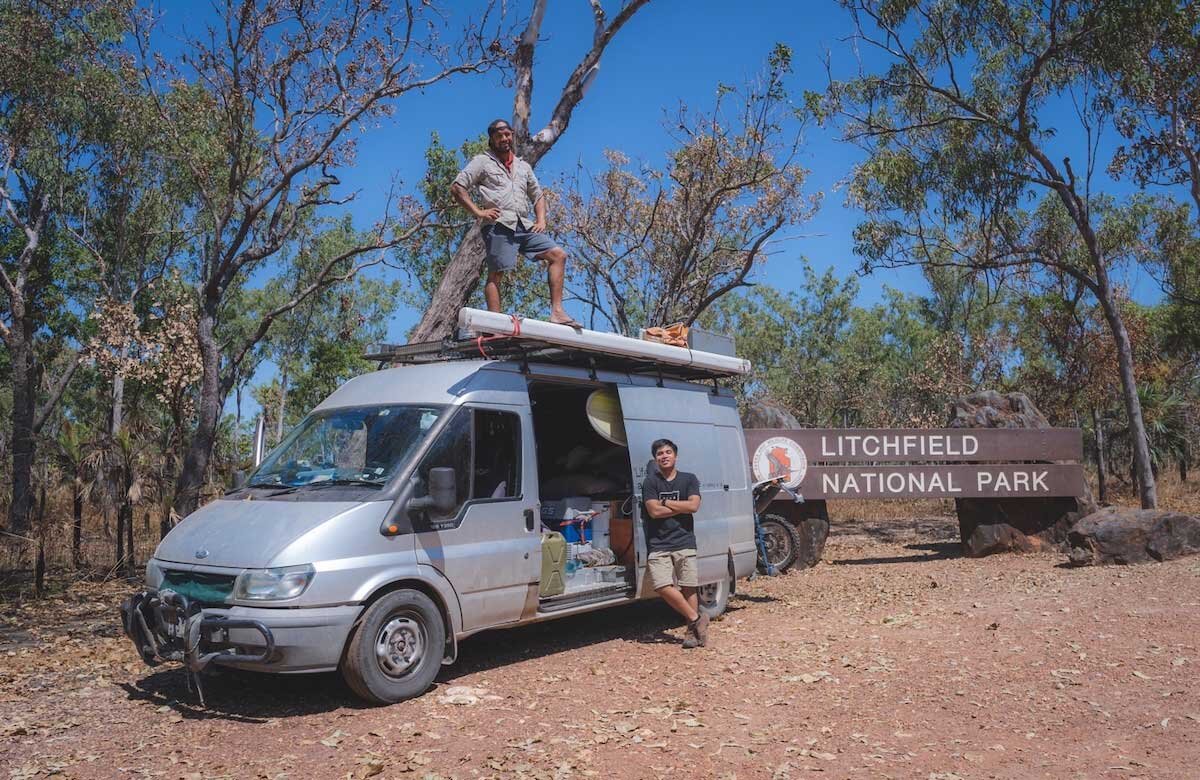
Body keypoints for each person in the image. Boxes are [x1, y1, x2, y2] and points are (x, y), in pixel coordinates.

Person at [450, 118, 581, 328]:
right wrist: (478, 212)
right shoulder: (482, 161)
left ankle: (557, 312)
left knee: (558, 255)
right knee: (496, 273)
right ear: (492, 139)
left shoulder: (523, 166)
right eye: (499, 135)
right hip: (499, 223)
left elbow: (537, 195)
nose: (504, 139)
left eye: (507, 134)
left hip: (524, 224)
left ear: (512, 135)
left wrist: (541, 219)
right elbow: (457, 187)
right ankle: (496, 324)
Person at [641, 438, 709, 648]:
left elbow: (694, 506)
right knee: (661, 585)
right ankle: (696, 618)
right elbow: (653, 511)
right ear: (655, 458)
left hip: (685, 540)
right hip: (658, 543)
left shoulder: (689, 479)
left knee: (688, 587)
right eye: (660, 453)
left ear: (675, 456)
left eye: (668, 452)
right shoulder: (650, 482)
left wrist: (665, 502)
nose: (664, 456)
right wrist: (681, 505)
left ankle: (693, 634)